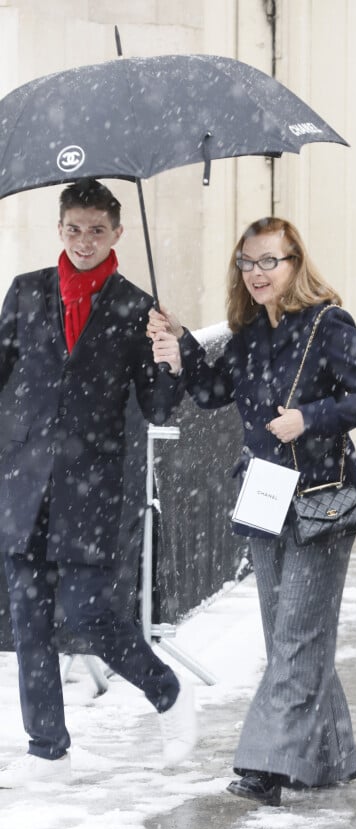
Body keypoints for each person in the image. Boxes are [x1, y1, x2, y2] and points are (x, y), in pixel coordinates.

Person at [148, 216, 356, 807]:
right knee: (290, 635)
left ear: (296, 263)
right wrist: (178, 345)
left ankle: (265, 766)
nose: (256, 273)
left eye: (269, 261)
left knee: (297, 636)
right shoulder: (250, 332)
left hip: (319, 500)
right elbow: (211, 393)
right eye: (247, 263)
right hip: (264, 497)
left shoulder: (329, 324)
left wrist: (311, 418)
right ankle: (331, 758)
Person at [0, 179, 196, 789]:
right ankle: (46, 748)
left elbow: (160, 406)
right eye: (74, 228)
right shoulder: (26, 292)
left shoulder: (138, 309)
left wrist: (171, 354)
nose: (84, 241)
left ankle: (167, 692)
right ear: (60, 229)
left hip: (91, 487)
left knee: (88, 613)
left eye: (96, 229)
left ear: (117, 232)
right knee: (29, 617)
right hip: (24, 483)